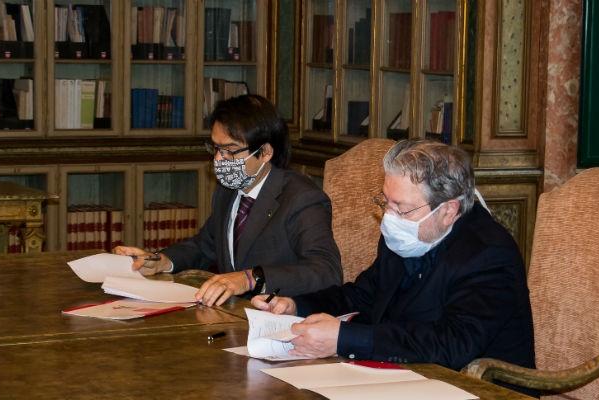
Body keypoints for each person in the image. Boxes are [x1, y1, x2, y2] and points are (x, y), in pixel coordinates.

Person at [251, 139, 538, 397]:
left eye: (401, 208)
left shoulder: (487, 254)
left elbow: (451, 344)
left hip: (476, 390)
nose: (389, 217)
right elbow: (362, 295)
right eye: (386, 202)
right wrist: (297, 306)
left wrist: (342, 339)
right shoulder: (406, 235)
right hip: (404, 381)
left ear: (449, 210)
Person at [114, 94, 342, 305]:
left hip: (282, 318)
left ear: (265, 152)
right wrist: (161, 260)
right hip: (233, 314)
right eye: (215, 148)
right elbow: (204, 246)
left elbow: (326, 271)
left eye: (230, 150)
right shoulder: (228, 191)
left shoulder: (301, 198)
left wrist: (251, 278)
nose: (218, 159)